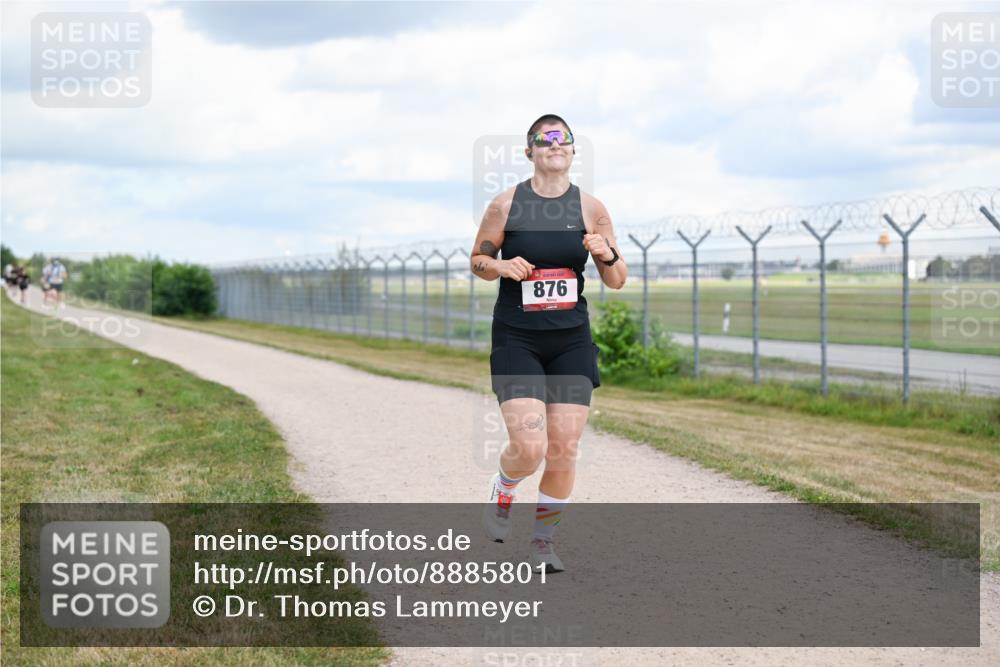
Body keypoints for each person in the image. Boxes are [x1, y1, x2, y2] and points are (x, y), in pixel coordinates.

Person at [470, 114, 628, 573]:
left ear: (573, 151)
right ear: (529, 151)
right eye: (544, 139)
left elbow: (617, 280)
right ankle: (504, 488)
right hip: (517, 338)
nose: (554, 145)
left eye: (563, 139)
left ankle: (543, 541)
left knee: (563, 447)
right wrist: (500, 268)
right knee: (531, 446)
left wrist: (606, 254)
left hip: (571, 342)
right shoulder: (506, 204)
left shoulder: (591, 208)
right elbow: (478, 259)